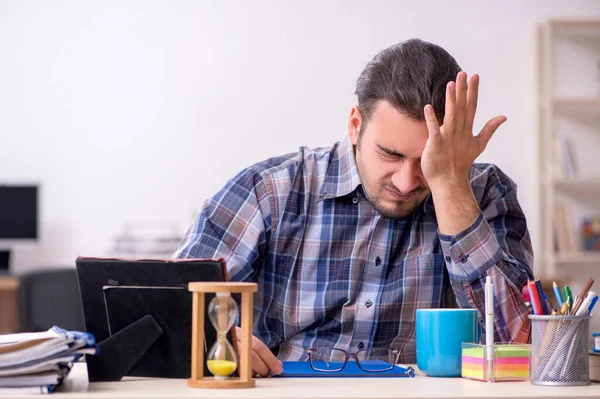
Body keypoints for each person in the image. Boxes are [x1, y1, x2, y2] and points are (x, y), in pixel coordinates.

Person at [174, 38, 534, 377]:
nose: (406, 182)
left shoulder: (486, 194)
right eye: (389, 154)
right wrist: (210, 338)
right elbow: (167, 311)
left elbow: (519, 339)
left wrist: (450, 185)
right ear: (355, 125)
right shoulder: (270, 189)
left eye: (427, 160)